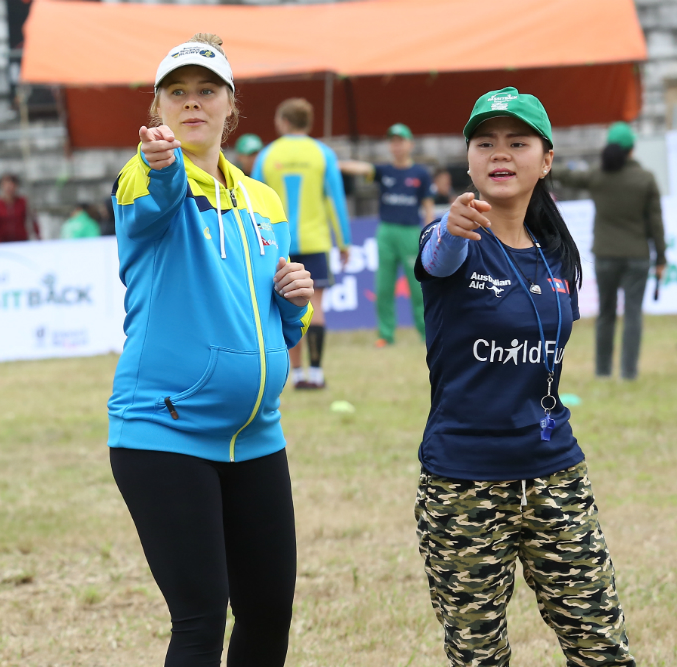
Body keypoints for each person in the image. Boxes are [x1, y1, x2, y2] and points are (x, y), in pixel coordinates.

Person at [109, 32, 314, 667]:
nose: (191, 103)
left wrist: (295, 300)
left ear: (231, 104)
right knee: (199, 621)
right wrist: (162, 163)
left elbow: (280, 330)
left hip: (257, 435)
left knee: (269, 617)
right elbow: (156, 197)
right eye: (177, 93)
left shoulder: (265, 201)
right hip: (164, 433)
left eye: (205, 91)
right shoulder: (144, 176)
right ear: (157, 109)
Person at [414, 87, 634, 666]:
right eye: (484, 143)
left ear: (547, 158)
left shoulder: (556, 251)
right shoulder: (454, 238)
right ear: (468, 160)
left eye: (518, 142)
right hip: (464, 484)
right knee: (479, 656)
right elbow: (437, 255)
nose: (500, 154)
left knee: (601, 645)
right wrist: (449, 225)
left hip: (554, 475)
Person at [556, 122, 666, 380]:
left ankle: (603, 371)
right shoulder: (645, 179)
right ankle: (628, 372)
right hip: (637, 256)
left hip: (605, 255)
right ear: (632, 150)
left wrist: (541, 162)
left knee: (605, 314)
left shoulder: (598, 175)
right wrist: (661, 257)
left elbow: (568, 176)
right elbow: (656, 223)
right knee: (633, 315)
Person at [253, 98, 350, 389]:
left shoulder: (267, 155)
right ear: (308, 123)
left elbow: (253, 203)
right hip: (315, 239)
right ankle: (317, 373)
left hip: (278, 243)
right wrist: (344, 242)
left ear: (282, 122)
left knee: (286, 308)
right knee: (315, 305)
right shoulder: (323, 154)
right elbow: (336, 201)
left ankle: (295, 374)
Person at [341, 123, 435, 347]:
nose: (397, 145)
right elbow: (361, 168)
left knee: (417, 287)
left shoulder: (420, 173)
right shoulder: (385, 171)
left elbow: (428, 206)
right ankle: (386, 334)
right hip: (386, 232)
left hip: (410, 232)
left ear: (410, 144)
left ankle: (426, 332)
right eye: (393, 141)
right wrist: (331, 161)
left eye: (401, 140)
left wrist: (431, 234)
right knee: (383, 286)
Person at [0, 173, 38, 242]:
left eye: (11, 185)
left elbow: (32, 221)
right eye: (5, 185)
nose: (8, 188)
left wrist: (38, 237)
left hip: (21, 241)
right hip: (2, 242)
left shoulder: (23, 202)